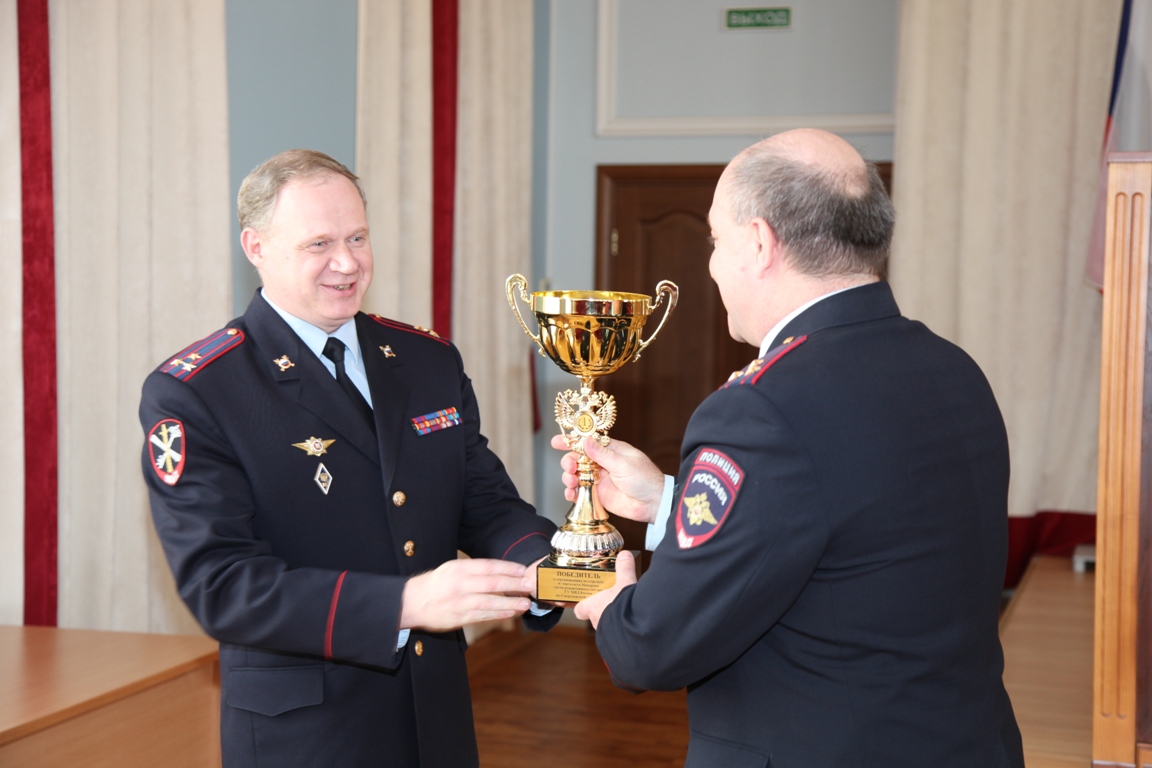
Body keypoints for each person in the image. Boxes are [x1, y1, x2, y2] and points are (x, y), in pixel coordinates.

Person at [555, 129, 1024, 767]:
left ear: (758, 243)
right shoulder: (953, 368)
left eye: (715, 241)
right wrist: (669, 501)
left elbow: (652, 649)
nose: (712, 263)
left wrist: (613, 602)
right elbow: (848, 535)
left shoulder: (763, 408)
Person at [140, 149, 556, 768]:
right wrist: (406, 605)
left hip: (435, 714)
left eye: (358, 236)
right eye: (319, 244)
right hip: (306, 734)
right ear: (256, 247)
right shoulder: (200, 390)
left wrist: (553, 568)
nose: (348, 263)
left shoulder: (426, 360)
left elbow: (483, 500)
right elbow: (222, 585)